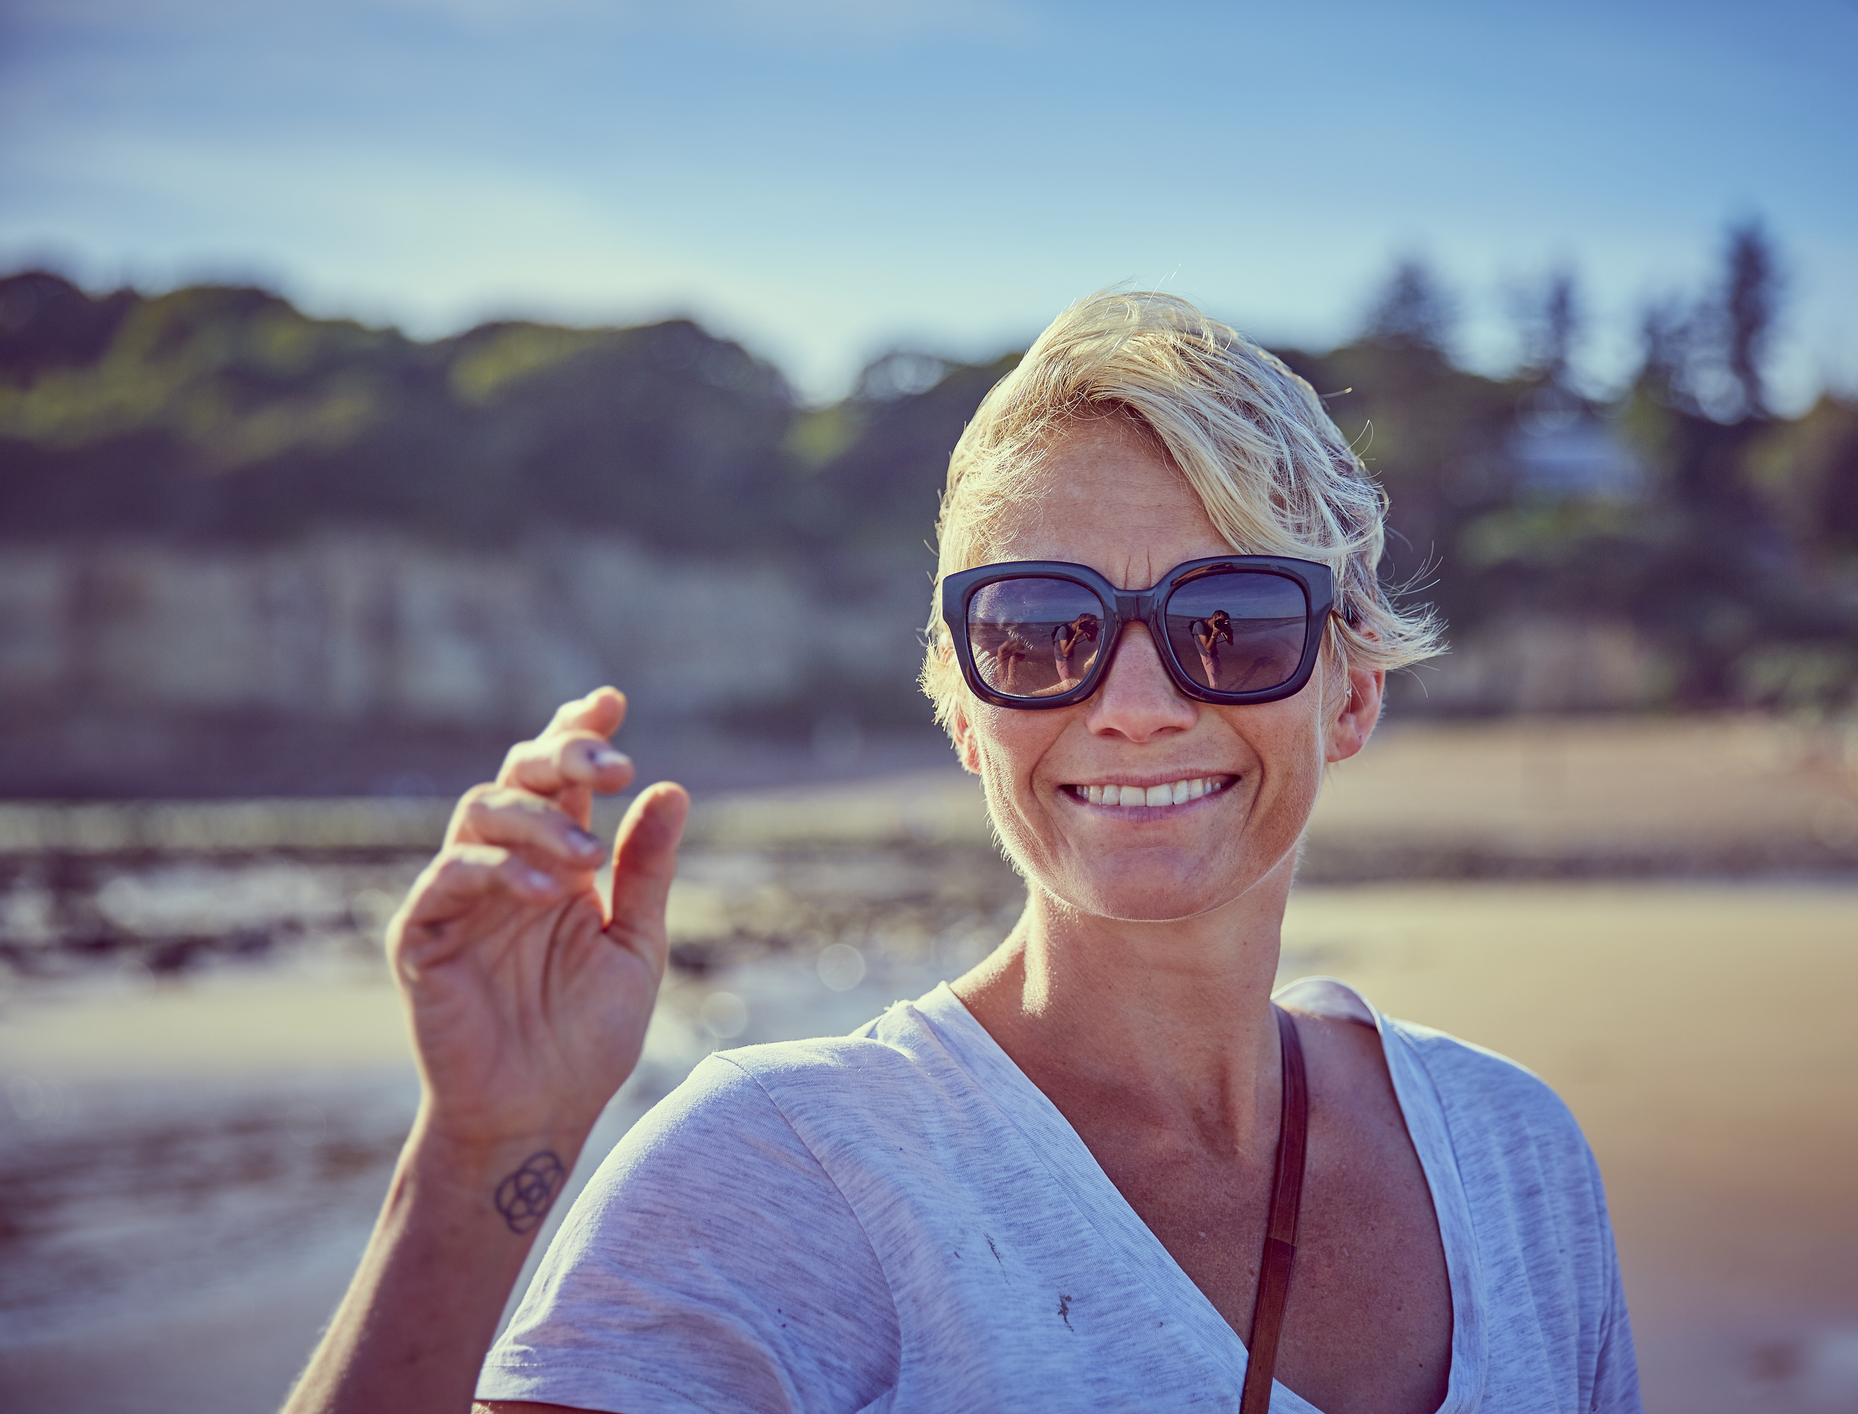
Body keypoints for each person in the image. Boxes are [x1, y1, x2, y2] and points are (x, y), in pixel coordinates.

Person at [283, 292, 1641, 1414]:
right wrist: (482, 1154)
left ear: (1350, 691)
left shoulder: (1510, 1157)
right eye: (1041, 627)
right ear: (959, 705)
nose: (1134, 700)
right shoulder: (786, 1169)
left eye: (1230, 617)